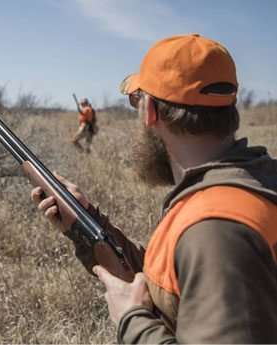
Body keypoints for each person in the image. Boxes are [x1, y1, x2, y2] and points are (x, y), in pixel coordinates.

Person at [31, 34, 277, 343]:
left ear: (150, 111)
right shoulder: (253, 181)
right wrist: (88, 222)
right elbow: (177, 284)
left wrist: (133, 322)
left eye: (137, 99)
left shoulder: (215, 227)